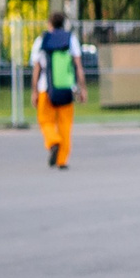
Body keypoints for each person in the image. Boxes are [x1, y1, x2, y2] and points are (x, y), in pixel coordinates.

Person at [30, 10, 85, 169]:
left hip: (45, 88)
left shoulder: (42, 40)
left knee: (45, 120)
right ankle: (62, 160)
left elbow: (37, 69)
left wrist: (34, 91)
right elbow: (78, 67)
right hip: (66, 88)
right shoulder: (71, 39)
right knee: (65, 124)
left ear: (50, 24)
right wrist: (82, 89)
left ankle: (53, 141)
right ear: (63, 24)